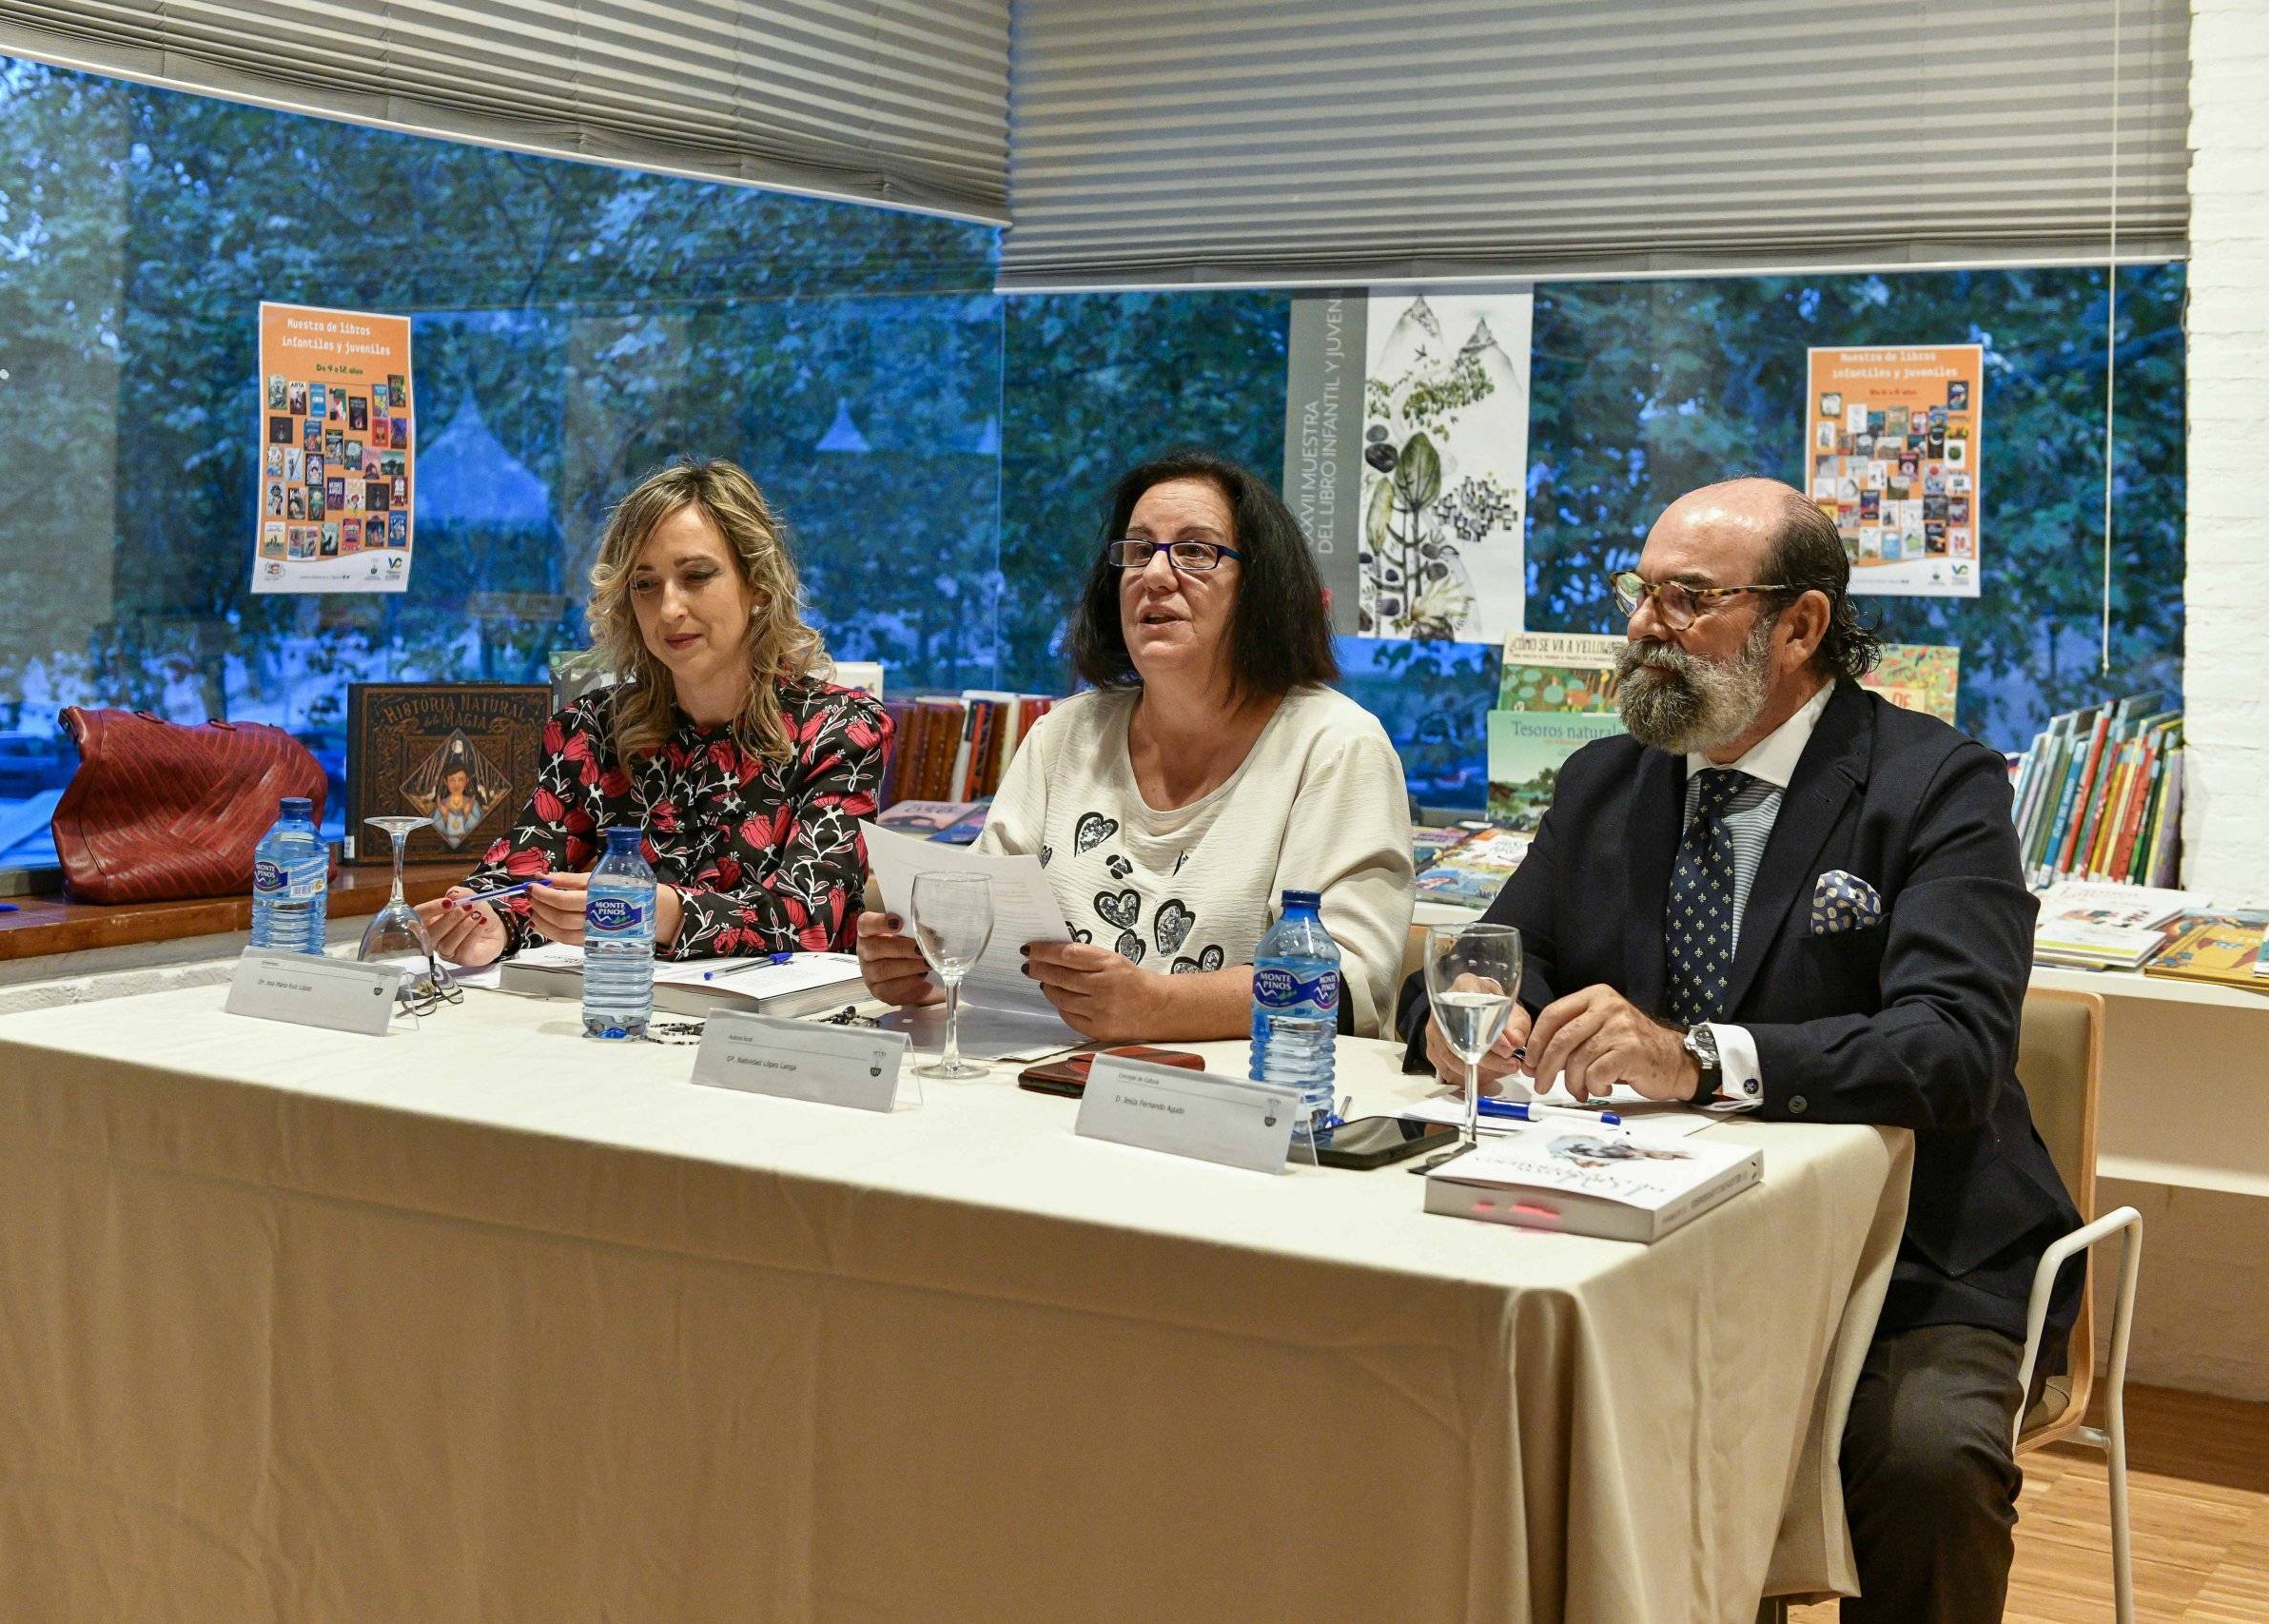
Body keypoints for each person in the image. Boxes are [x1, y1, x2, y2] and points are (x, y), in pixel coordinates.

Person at [1397, 477, 2080, 1624]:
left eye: (1686, 597)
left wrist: (1703, 1059)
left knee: (1924, 1463)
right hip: (1657, 1243)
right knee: (1479, 1395)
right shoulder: (1607, 779)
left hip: (1907, 1255)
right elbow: (1490, 952)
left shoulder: (1935, 783)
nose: (1642, 627)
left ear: (1800, 625)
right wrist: (1472, 1006)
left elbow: (1953, 1048)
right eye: (1639, 592)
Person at [856, 451, 1414, 1040]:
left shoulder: (1335, 746)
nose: (1156, 575)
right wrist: (925, 965)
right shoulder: (1063, 736)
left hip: (1242, 1102)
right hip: (1041, 1080)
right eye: (1139, 550)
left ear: (1262, 589)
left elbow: (1352, 982)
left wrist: (1161, 1007)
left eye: (1196, 551)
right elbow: (983, 916)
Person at [419, 458, 890, 966]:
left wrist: (658, 912)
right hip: (614, 1013)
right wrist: (490, 924)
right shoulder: (589, 731)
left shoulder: (840, 729)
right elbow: (523, 873)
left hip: (765, 1036)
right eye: (645, 584)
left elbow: (814, 919)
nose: (668, 609)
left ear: (758, 587)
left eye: (696, 576)